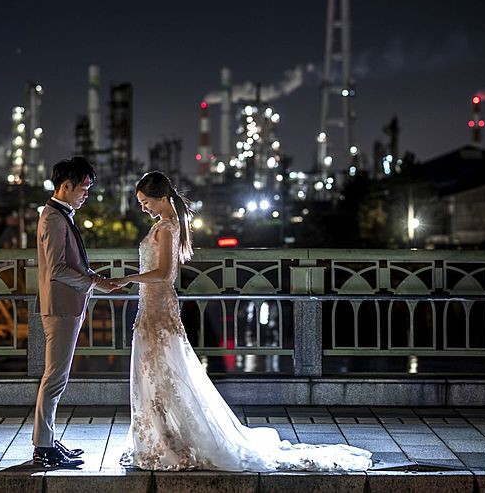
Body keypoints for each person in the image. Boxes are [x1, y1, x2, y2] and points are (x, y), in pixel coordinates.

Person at [113, 171, 373, 472]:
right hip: (152, 306)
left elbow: (165, 274)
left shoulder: (168, 228)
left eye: (145, 202)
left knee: (161, 373)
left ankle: (169, 440)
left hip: (158, 308)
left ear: (161, 198)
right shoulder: (164, 225)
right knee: (157, 374)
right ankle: (163, 437)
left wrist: (126, 279)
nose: (143, 207)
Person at [32, 156, 117, 469]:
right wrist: (95, 281)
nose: (86, 194)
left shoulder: (58, 214)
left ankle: (48, 440)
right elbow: (56, 269)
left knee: (58, 377)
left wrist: (91, 278)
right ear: (65, 186)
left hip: (68, 304)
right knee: (55, 378)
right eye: (83, 188)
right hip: (61, 307)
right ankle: (43, 446)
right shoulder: (53, 218)